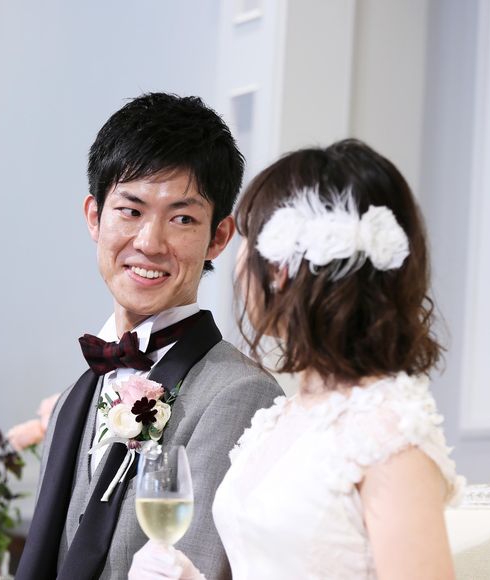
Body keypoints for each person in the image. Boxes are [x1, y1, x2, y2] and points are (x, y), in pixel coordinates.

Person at [129, 139, 464, 579]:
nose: (238, 263)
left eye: (248, 239)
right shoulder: (286, 416)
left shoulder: (388, 434)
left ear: (283, 267)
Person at [16, 93, 282, 580]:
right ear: (94, 217)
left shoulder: (242, 396)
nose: (149, 242)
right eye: (130, 210)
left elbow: (199, 566)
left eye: (182, 218)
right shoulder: (74, 397)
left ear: (218, 237)